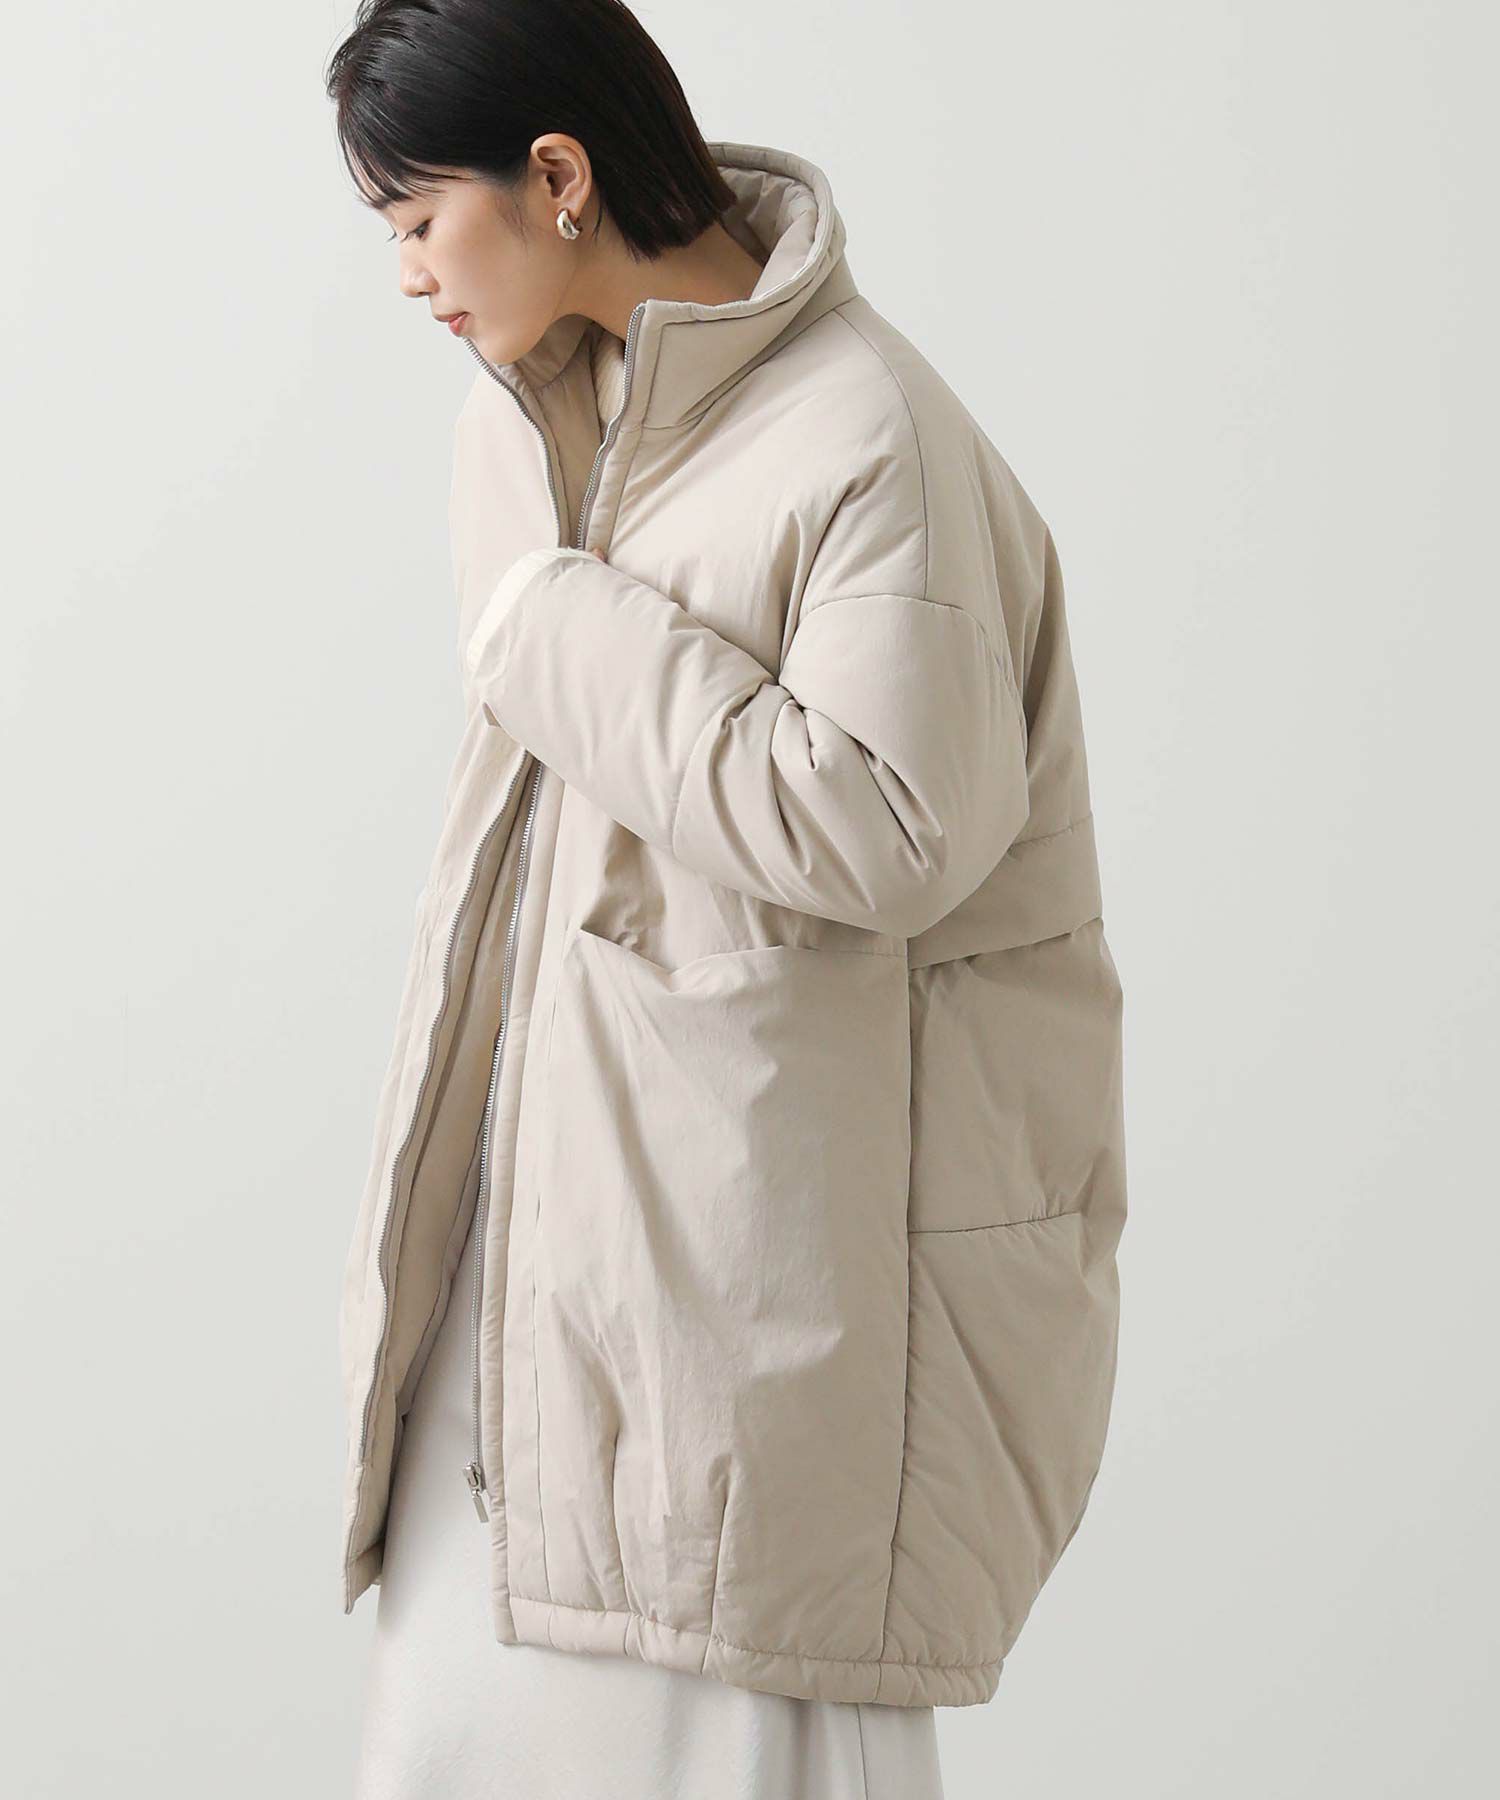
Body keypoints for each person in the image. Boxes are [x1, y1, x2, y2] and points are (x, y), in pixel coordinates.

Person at [326, 3, 1128, 1795]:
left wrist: (554, 621)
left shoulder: (866, 430)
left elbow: (894, 827)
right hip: (547, 1272)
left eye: (417, 219)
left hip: (756, 1287)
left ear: (556, 176)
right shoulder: (538, 423)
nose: (407, 277)